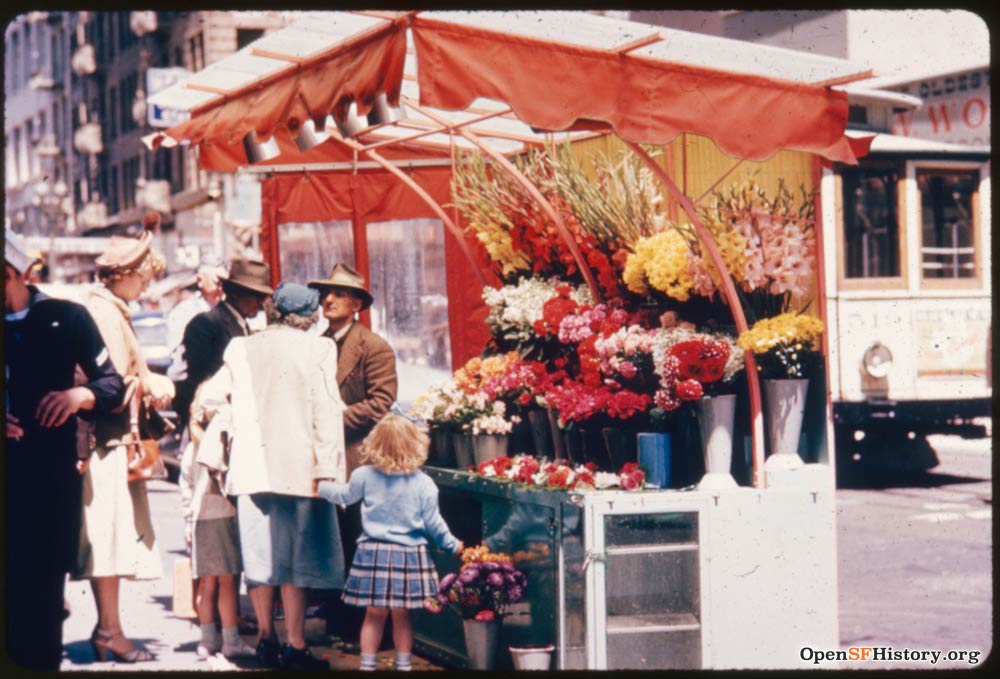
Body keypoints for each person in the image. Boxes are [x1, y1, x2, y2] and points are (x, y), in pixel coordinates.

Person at [198, 282, 348, 670]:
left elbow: (211, 398)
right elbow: (327, 413)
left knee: (260, 556)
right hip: (302, 471)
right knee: (296, 560)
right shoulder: (319, 348)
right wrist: (329, 471)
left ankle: (266, 638)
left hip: (252, 469)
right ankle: (296, 646)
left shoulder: (241, 347)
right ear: (309, 316)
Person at [4, 229, 127, 670]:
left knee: (41, 594)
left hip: (47, 481)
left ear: (13, 275)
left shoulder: (67, 317)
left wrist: (79, 397)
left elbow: (112, 384)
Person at [72, 222, 176, 663]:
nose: (146, 285)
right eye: (144, 277)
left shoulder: (107, 308)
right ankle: (109, 631)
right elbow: (110, 384)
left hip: (109, 442)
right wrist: (150, 382)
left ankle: (108, 628)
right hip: (108, 443)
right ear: (125, 274)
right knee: (109, 539)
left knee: (109, 539)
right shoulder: (107, 313)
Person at [317, 414, 463, 672]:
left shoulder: (364, 475)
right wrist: (453, 544)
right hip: (410, 555)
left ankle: (367, 665)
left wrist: (323, 487)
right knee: (402, 615)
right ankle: (404, 666)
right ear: (415, 444)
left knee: (373, 614)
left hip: (372, 553)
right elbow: (434, 523)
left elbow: (344, 496)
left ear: (375, 444)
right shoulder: (424, 483)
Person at [307, 263, 398, 646]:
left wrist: (333, 421)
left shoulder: (372, 346)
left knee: (359, 540)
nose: (327, 299)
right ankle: (337, 618)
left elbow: (382, 401)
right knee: (330, 540)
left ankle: (364, 629)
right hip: (324, 459)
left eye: (339, 294)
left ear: (357, 303)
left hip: (357, 457)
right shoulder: (316, 343)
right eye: (325, 293)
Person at [179, 386, 254, 661]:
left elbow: (185, 486)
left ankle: (206, 640)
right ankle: (231, 641)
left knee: (206, 584)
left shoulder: (192, 448)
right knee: (228, 582)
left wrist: (187, 523)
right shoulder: (226, 442)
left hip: (200, 518)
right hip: (223, 515)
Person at [173, 258, 272, 430]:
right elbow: (196, 380)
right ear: (235, 292)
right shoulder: (205, 324)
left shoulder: (241, 322)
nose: (259, 303)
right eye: (255, 296)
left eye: (262, 297)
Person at [166, 254, 229, 384]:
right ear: (200, 280)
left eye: (225, 283)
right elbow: (178, 359)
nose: (221, 288)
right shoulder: (182, 313)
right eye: (217, 282)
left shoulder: (230, 310)